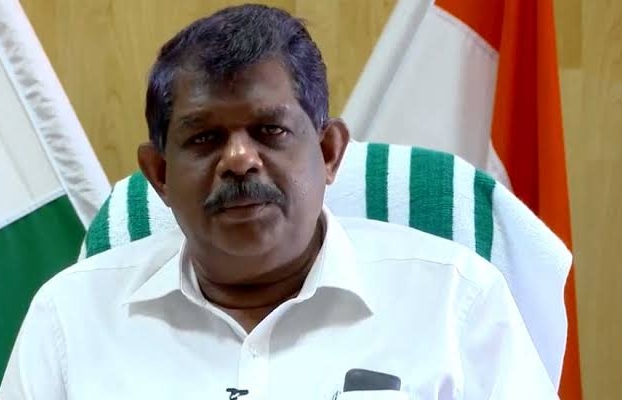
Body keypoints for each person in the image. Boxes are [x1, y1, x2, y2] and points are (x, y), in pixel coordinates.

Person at [0, 4, 558, 399]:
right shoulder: (70, 319)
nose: (239, 160)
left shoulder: (454, 302)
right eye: (205, 138)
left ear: (329, 152)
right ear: (160, 174)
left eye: (270, 131)